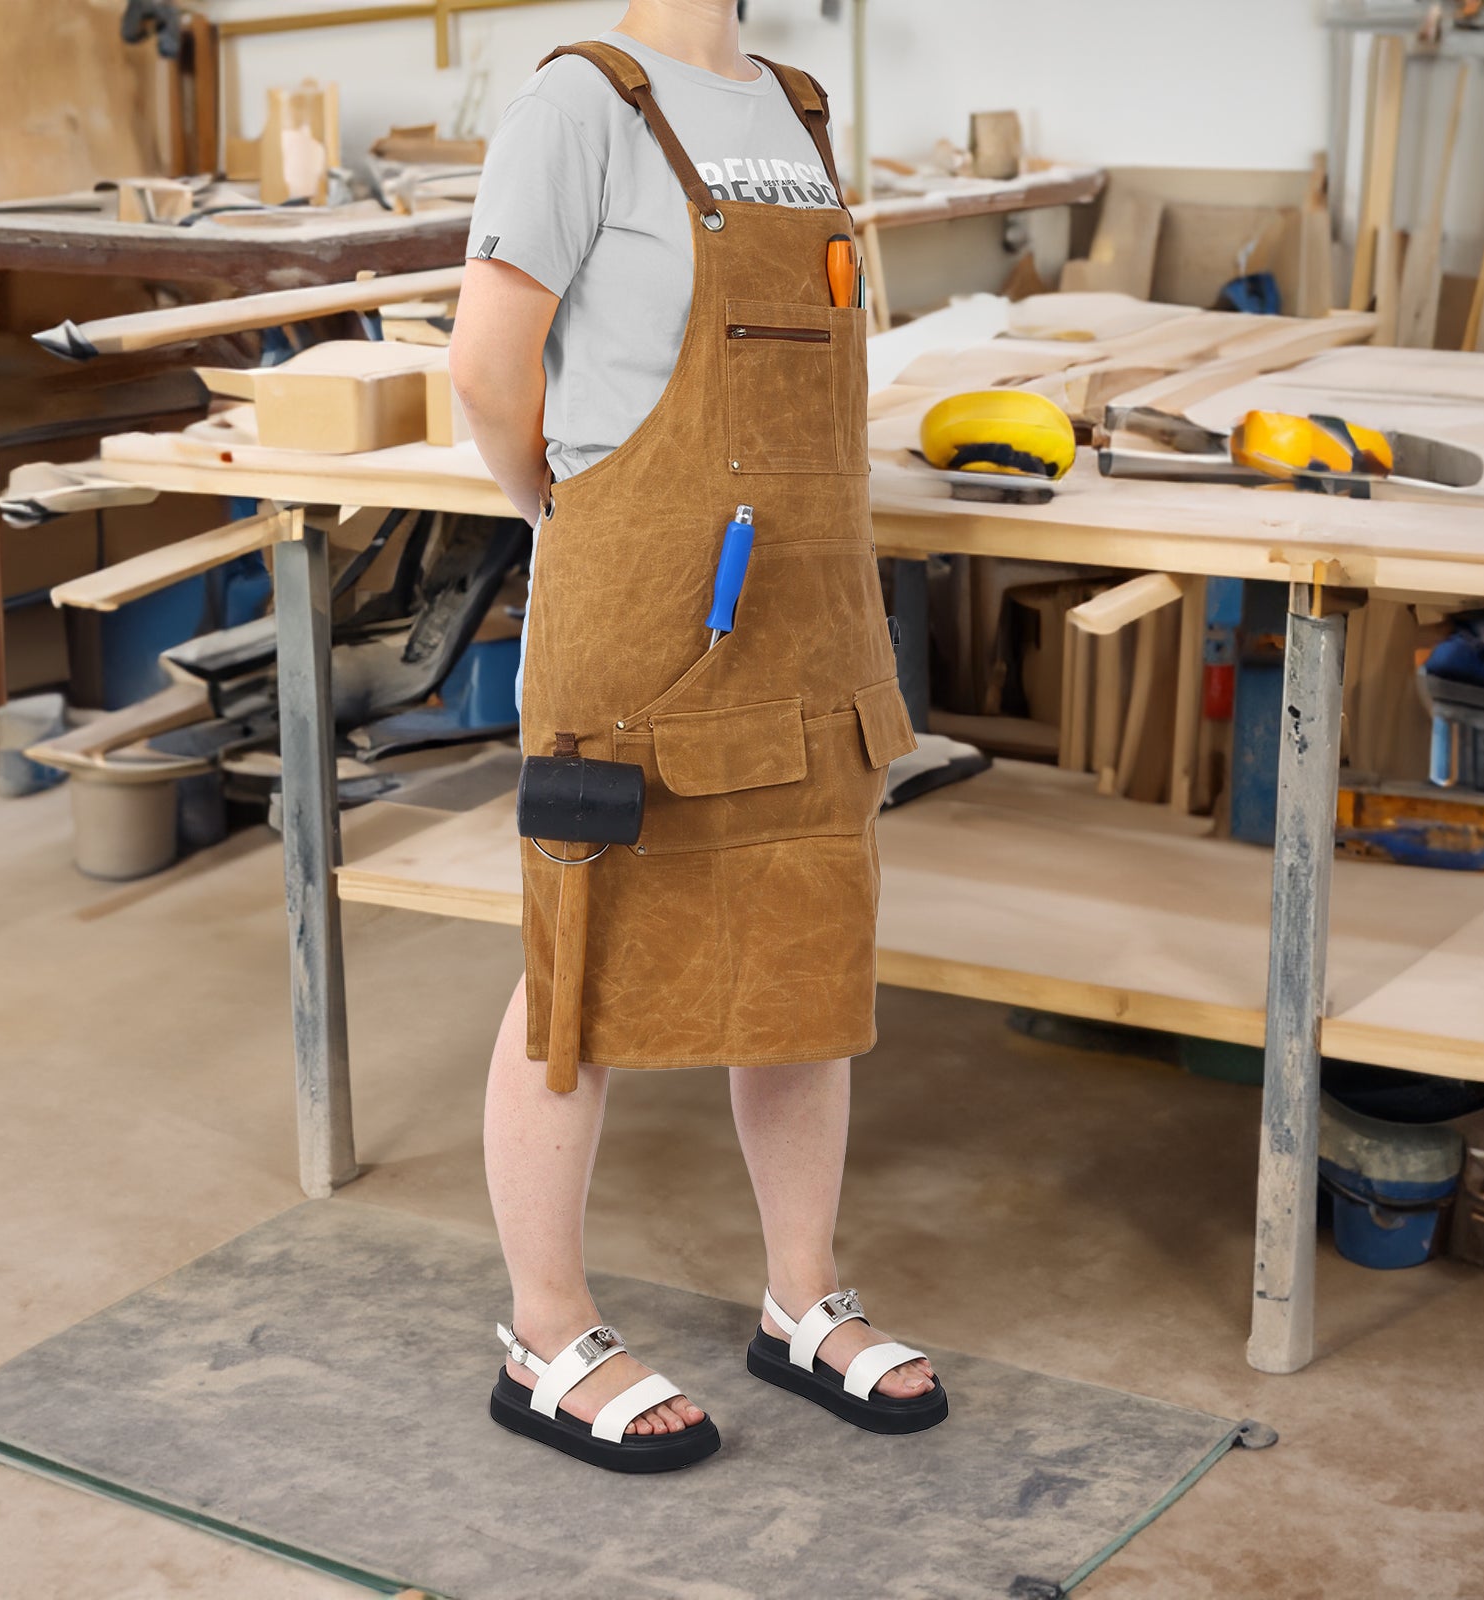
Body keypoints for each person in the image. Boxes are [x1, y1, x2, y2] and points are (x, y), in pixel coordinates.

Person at [448, 0, 945, 1474]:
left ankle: (802, 1303)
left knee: (804, 946)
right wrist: (581, 514)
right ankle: (546, 1332)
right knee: (582, 951)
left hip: (806, 609)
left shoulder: (795, 106)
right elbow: (489, 368)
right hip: (640, 614)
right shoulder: (577, 105)